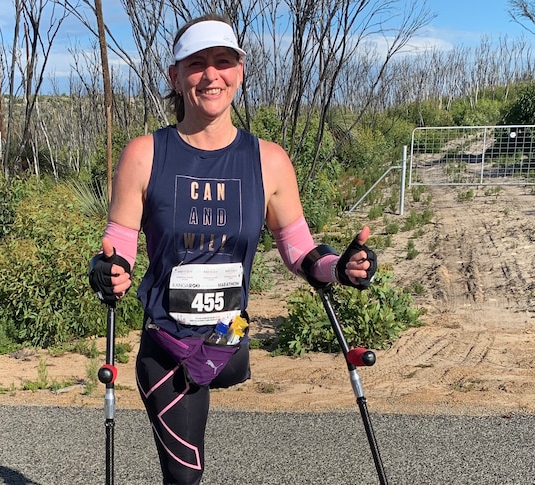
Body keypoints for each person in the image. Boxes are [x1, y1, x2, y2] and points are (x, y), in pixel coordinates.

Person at [89, 14, 376, 485]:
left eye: (223, 61)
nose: (211, 74)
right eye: (197, 64)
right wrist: (108, 269)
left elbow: (300, 250)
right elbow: (117, 244)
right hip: (168, 339)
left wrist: (339, 267)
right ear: (175, 77)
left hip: (230, 331)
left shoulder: (269, 160)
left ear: (240, 72)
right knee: (184, 477)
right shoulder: (145, 154)